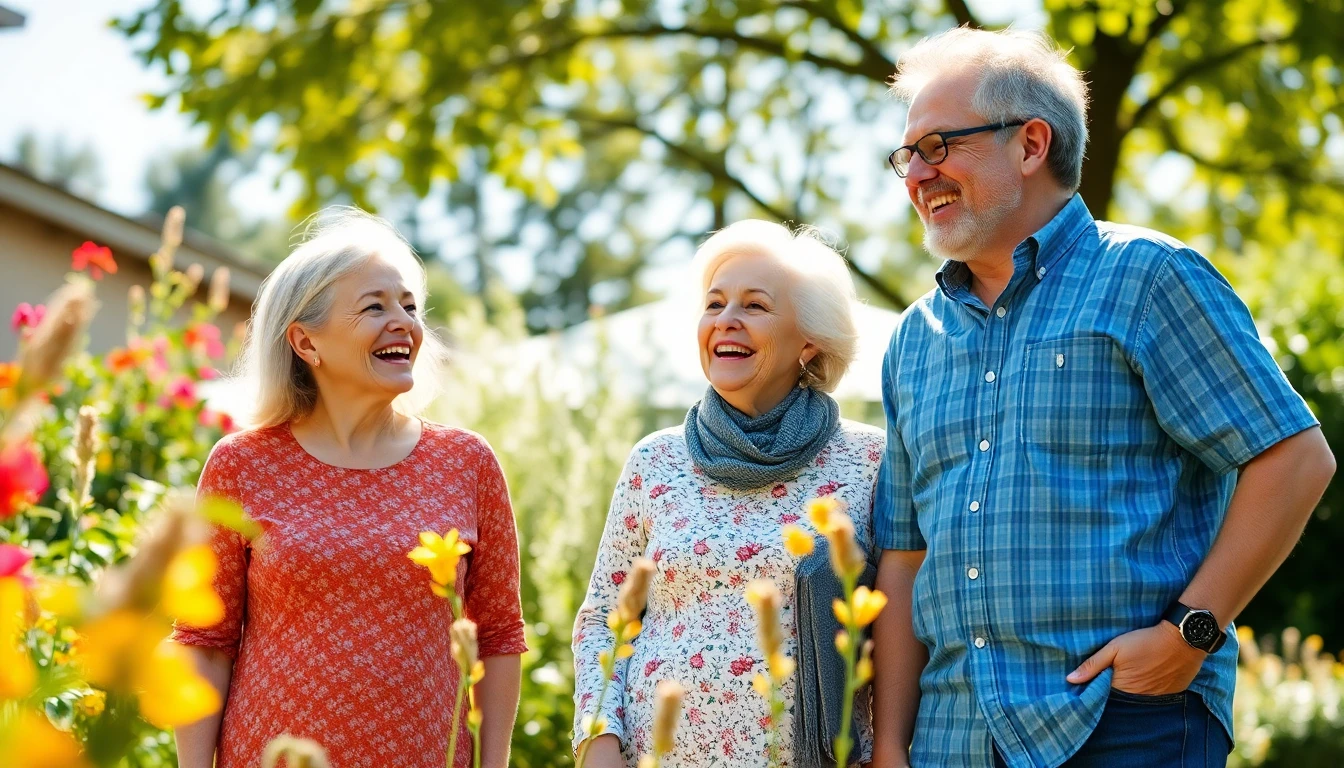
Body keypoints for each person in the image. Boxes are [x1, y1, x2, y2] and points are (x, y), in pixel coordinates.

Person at [868, 27, 1336, 768]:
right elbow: (903, 555)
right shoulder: (911, 341)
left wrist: (1192, 632)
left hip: (1124, 722)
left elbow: (1294, 458)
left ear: (1029, 145)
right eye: (907, 155)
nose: (917, 175)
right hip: (951, 739)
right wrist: (891, 744)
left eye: (939, 146)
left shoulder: (1151, 279)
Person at [172, 210, 527, 768]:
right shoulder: (242, 466)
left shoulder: (466, 463)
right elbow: (204, 640)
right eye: (374, 307)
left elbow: (499, 636)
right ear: (306, 343)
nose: (403, 323)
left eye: (410, 307)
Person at [572, 220, 885, 766]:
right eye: (714, 304)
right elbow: (603, 619)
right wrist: (599, 742)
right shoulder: (655, 460)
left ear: (810, 340)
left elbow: (904, 620)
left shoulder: (869, 461)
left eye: (754, 306)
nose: (726, 321)